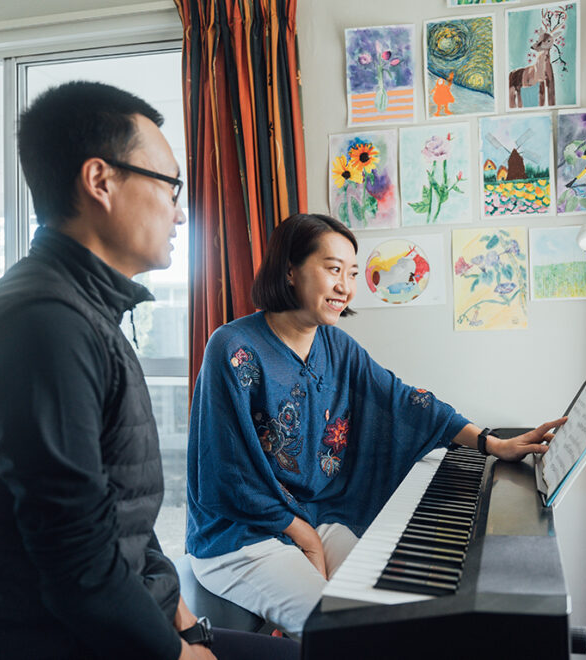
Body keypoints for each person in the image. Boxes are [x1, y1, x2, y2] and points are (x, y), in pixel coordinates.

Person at [0, 81, 298, 660]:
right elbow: (74, 557)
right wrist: (176, 654)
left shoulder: (83, 309)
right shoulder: (44, 325)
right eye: (171, 186)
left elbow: (120, 508)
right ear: (100, 181)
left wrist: (184, 620)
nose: (180, 212)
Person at [186, 213, 564, 636]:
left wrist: (491, 443)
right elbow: (224, 474)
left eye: (351, 272)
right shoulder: (234, 348)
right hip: (241, 538)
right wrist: (307, 540)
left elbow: (405, 401)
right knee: (347, 632)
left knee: (393, 611)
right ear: (289, 270)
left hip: (313, 515)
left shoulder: (337, 346)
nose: (346, 286)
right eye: (333, 270)